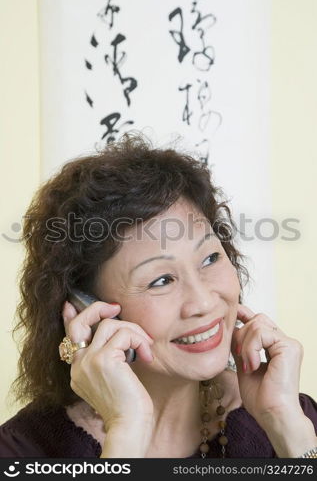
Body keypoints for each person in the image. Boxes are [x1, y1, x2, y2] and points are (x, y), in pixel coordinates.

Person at [0, 132, 316, 458]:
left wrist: (285, 424)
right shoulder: (21, 450)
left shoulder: (293, 416)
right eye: (162, 280)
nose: (205, 302)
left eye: (210, 258)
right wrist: (127, 430)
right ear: (88, 310)